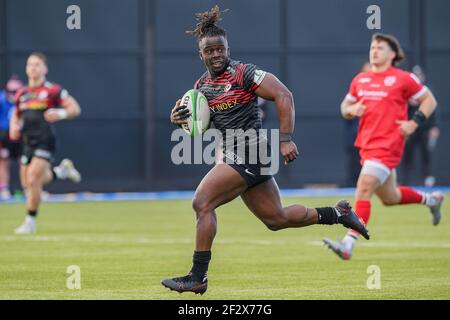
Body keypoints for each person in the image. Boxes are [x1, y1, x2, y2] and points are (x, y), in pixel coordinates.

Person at [161, 6, 369, 295]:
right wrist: (180, 120)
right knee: (276, 219)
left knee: (202, 203)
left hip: (250, 152)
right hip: (238, 155)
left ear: (228, 48)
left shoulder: (245, 73)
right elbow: (204, 124)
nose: (217, 54)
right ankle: (338, 213)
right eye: (210, 51)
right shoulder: (202, 87)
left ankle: (198, 276)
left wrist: (286, 138)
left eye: (221, 49)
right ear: (201, 55)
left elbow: (283, 94)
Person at [323, 33, 444, 260]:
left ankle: (348, 244)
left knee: (364, 186)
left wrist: (414, 122)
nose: (374, 50)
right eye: (372, 47)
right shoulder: (361, 79)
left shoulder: (403, 78)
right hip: (367, 146)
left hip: (389, 144)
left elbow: (430, 101)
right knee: (390, 197)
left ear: (393, 54)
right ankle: (432, 200)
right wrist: (351, 110)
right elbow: (344, 106)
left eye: (380, 47)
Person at [10, 52, 82, 234]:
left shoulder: (53, 90)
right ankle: (61, 172)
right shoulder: (22, 93)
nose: (33, 68)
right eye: (30, 64)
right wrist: (14, 126)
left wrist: (60, 114)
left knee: (34, 178)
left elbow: (75, 108)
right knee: (29, 183)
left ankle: (30, 222)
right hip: (27, 142)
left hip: (45, 141)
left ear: (45, 69)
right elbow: (16, 114)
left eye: (37, 64)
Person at [402, 65, 439, 187]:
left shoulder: (427, 91)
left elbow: (432, 108)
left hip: (424, 128)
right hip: (410, 129)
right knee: (408, 155)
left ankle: (428, 178)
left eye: (419, 76)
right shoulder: (406, 92)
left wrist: (434, 126)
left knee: (425, 154)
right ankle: (406, 181)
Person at [0, 75, 24, 199]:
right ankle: (4, 189)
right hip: (4, 137)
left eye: (15, 91)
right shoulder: (1, 99)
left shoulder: (25, 100)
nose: (13, 94)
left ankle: (25, 188)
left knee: (24, 162)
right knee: (3, 161)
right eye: (10, 91)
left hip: (21, 137)